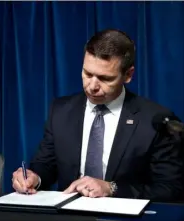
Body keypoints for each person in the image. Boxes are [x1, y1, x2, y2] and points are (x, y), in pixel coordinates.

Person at [12, 29, 183, 201]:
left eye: (105, 78)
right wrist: (34, 178)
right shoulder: (61, 110)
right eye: (87, 74)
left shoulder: (156, 120)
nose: (92, 86)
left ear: (128, 75)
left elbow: (171, 188)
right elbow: (46, 164)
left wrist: (112, 188)